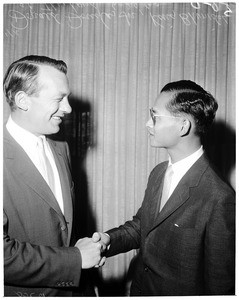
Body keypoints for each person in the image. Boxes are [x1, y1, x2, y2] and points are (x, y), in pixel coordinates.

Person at [96, 80, 235, 296]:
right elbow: (143, 227)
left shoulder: (220, 197)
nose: (147, 124)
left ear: (183, 126)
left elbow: (219, 286)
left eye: (155, 117)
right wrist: (108, 240)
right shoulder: (159, 173)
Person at [3, 55, 105, 296]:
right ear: (22, 100)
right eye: (59, 99)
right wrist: (75, 260)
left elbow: (65, 225)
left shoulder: (61, 148)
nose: (68, 108)